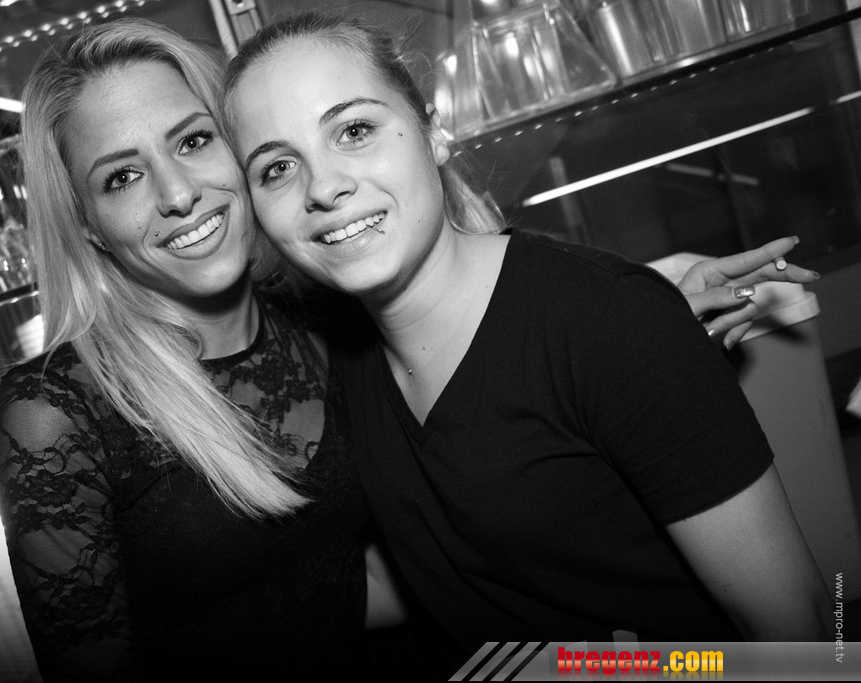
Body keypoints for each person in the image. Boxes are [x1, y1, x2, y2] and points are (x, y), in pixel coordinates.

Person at [220, 9, 831, 656]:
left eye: (354, 130)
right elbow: (446, 577)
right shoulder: (343, 357)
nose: (323, 186)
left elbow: (806, 637)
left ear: (433, 134)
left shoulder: (609, 323)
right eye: (277, 168)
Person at [0, 19, 371, 682]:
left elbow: (341, 585)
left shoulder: (325, 318)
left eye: (193, 141)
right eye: (122, 177)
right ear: (88, 225)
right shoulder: (57, 413)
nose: (178, 194)